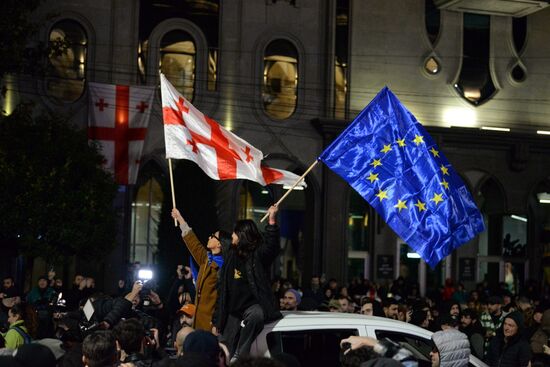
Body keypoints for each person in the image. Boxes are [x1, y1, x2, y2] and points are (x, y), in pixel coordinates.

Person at [215, 205, 282, 364]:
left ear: (242, 234)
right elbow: (223, 293)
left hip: (252, 307)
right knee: (223, 351)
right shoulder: (231, 255)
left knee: (257, 315)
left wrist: (272, 220)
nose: (231, 235)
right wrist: (217, 320)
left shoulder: (257, 255)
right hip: (232, 313)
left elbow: (272, 248)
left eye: (234, 232)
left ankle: (240, 356)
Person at [172, 207, 232, 332]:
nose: (209, 237)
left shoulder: (224, 268)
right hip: (199, 323)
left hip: (212, 326)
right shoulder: (207, 260)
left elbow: (224, 300)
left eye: (213, 236)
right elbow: (194, 244)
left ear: (220, 244)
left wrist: (217, 323)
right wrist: (179, 218)